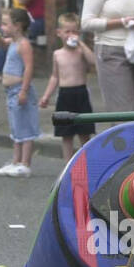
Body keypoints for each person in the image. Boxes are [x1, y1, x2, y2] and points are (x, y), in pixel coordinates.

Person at [39, 12, 97, 161]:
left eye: (74, 31)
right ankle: (67, 165)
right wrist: (46, 96)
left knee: (85, 132)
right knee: (66, 134)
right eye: (67, 31)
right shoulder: (57, 54)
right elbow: (54, 77)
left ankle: (88, 162)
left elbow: (93, 61)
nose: (71, 35)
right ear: (59, 33)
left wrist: (81, 43)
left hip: (81, 93)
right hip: (65, 95)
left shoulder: (80, 51)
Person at [0, 8, 38, 177]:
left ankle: (25, 163)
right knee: (16, 128)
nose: (2, 27)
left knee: (25, 127)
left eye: (6, 24)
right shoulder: (12, 42)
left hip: (19, 90)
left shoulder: (24, 44)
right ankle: (15, 161)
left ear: (18, 26)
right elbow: (2, 44)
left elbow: (29, 68)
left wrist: (24, 91)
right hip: (11, 91)